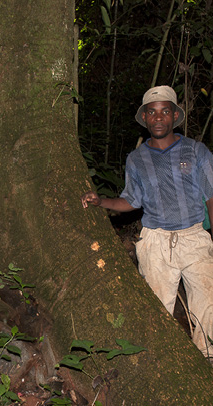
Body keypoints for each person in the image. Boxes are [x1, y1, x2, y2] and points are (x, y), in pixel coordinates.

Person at [81, 85, 213, 362]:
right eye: (152, 112)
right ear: (145, 118)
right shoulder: (136, 159)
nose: (159, 117)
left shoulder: (196, 151)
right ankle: (165, 365)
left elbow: (211, 195)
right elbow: (132, 201)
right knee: (156, 311)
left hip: (194, 238)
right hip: (155, 242)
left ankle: (206, 361)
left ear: (175, 116)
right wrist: (101, 201)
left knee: (207, 308)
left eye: (165, 111)